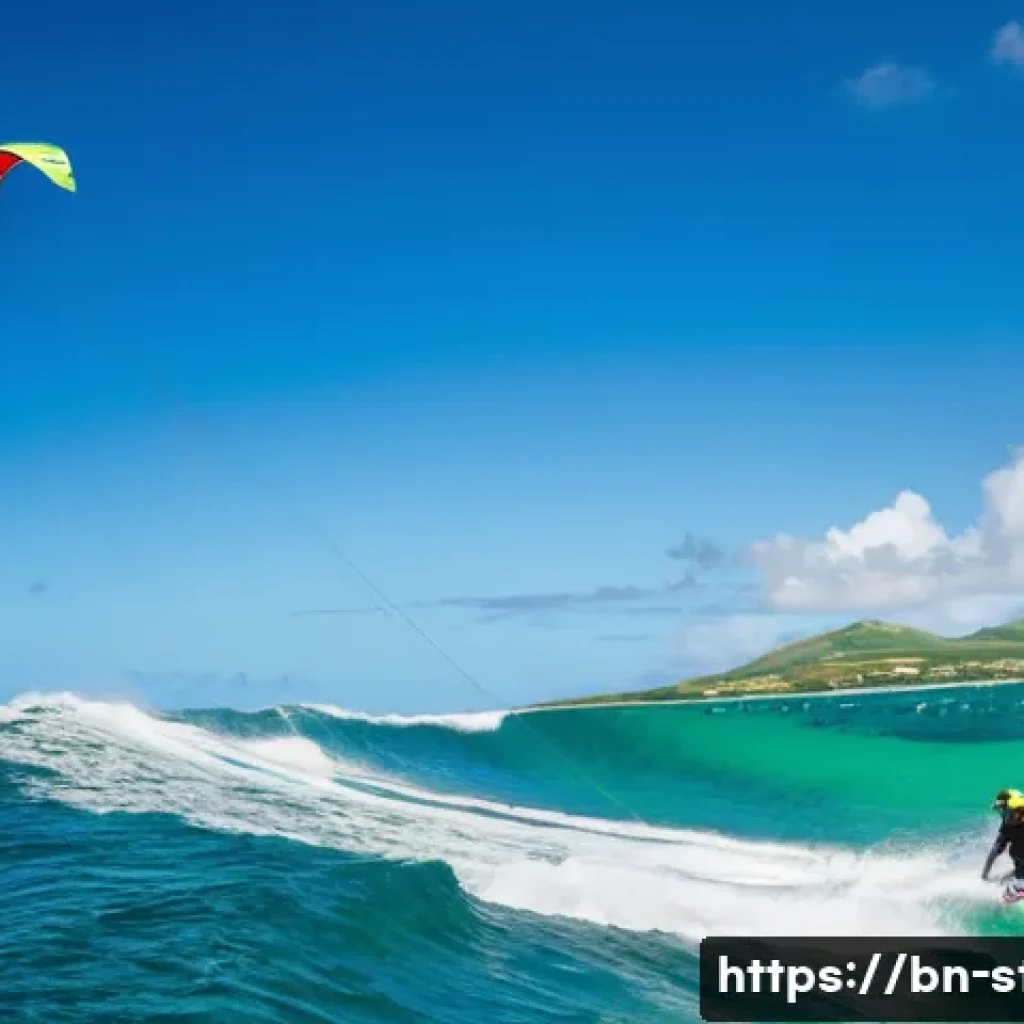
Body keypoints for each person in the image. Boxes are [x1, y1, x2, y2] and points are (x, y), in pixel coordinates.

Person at [982, 789, 1024, 903]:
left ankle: (1016, 885)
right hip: (1019, 859)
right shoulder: (1008, 826)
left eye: (1005, 811)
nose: (1004, 815)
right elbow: (994, 852)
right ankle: (1010, 882)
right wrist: (984, 877)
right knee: (1018, 857)